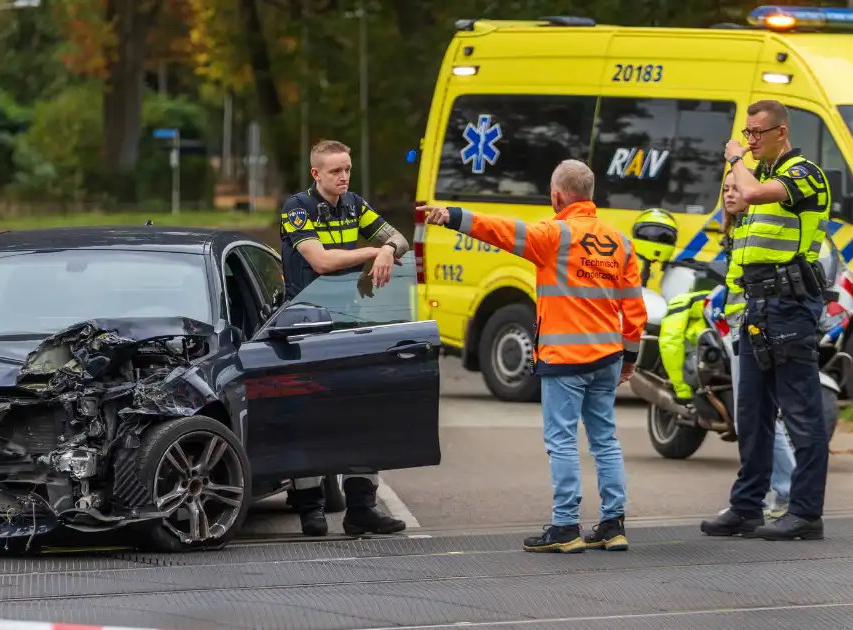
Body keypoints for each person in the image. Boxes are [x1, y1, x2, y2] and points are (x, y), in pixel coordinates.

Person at [421, 159, 647, 553]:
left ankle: (565, 527)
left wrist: (453, 216)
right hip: (608, 357)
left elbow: (502, 231)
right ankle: (613, 524)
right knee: (605, 440)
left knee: (561, 441)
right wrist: (629, 358)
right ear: (591, 194)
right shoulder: (621, 242)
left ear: (557, 196)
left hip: (565, 358)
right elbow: (634, 309)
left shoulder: (554, 235)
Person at [700, 99, 831, 541]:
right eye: (747, 132)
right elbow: (734, 233)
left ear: (780, 132)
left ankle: (806, 512)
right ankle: (746, 507)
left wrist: (736, 159)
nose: (750, 139)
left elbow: (754, 193)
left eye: (757, 133)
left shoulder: (803, 174)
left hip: (791, 307)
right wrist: (730, 208)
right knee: (751, 413)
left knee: (801, 414)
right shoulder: (762, 179)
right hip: (756, 307)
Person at [279, 138, 411, 537]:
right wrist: (372, 253)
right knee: (309, 418)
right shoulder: (296, 208)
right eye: (335, 170)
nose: (343, 176)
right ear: (316, 173)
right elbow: (320, 261)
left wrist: (387, 248)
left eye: (347, 169)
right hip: (305, 325)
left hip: (350, 321)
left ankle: (361, 509)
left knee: (360, 414)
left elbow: (400, 237)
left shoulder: (354, 203)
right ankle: (311, 509)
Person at [651, 177, 795, 518]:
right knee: (753, 418)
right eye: (725, 189)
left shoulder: (759, 226)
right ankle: (763, 496)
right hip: (737, 331)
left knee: (756, 417)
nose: (730, 193)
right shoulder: (737, 228)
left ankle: (782, 493)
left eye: (736, 188)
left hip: (753, 331)